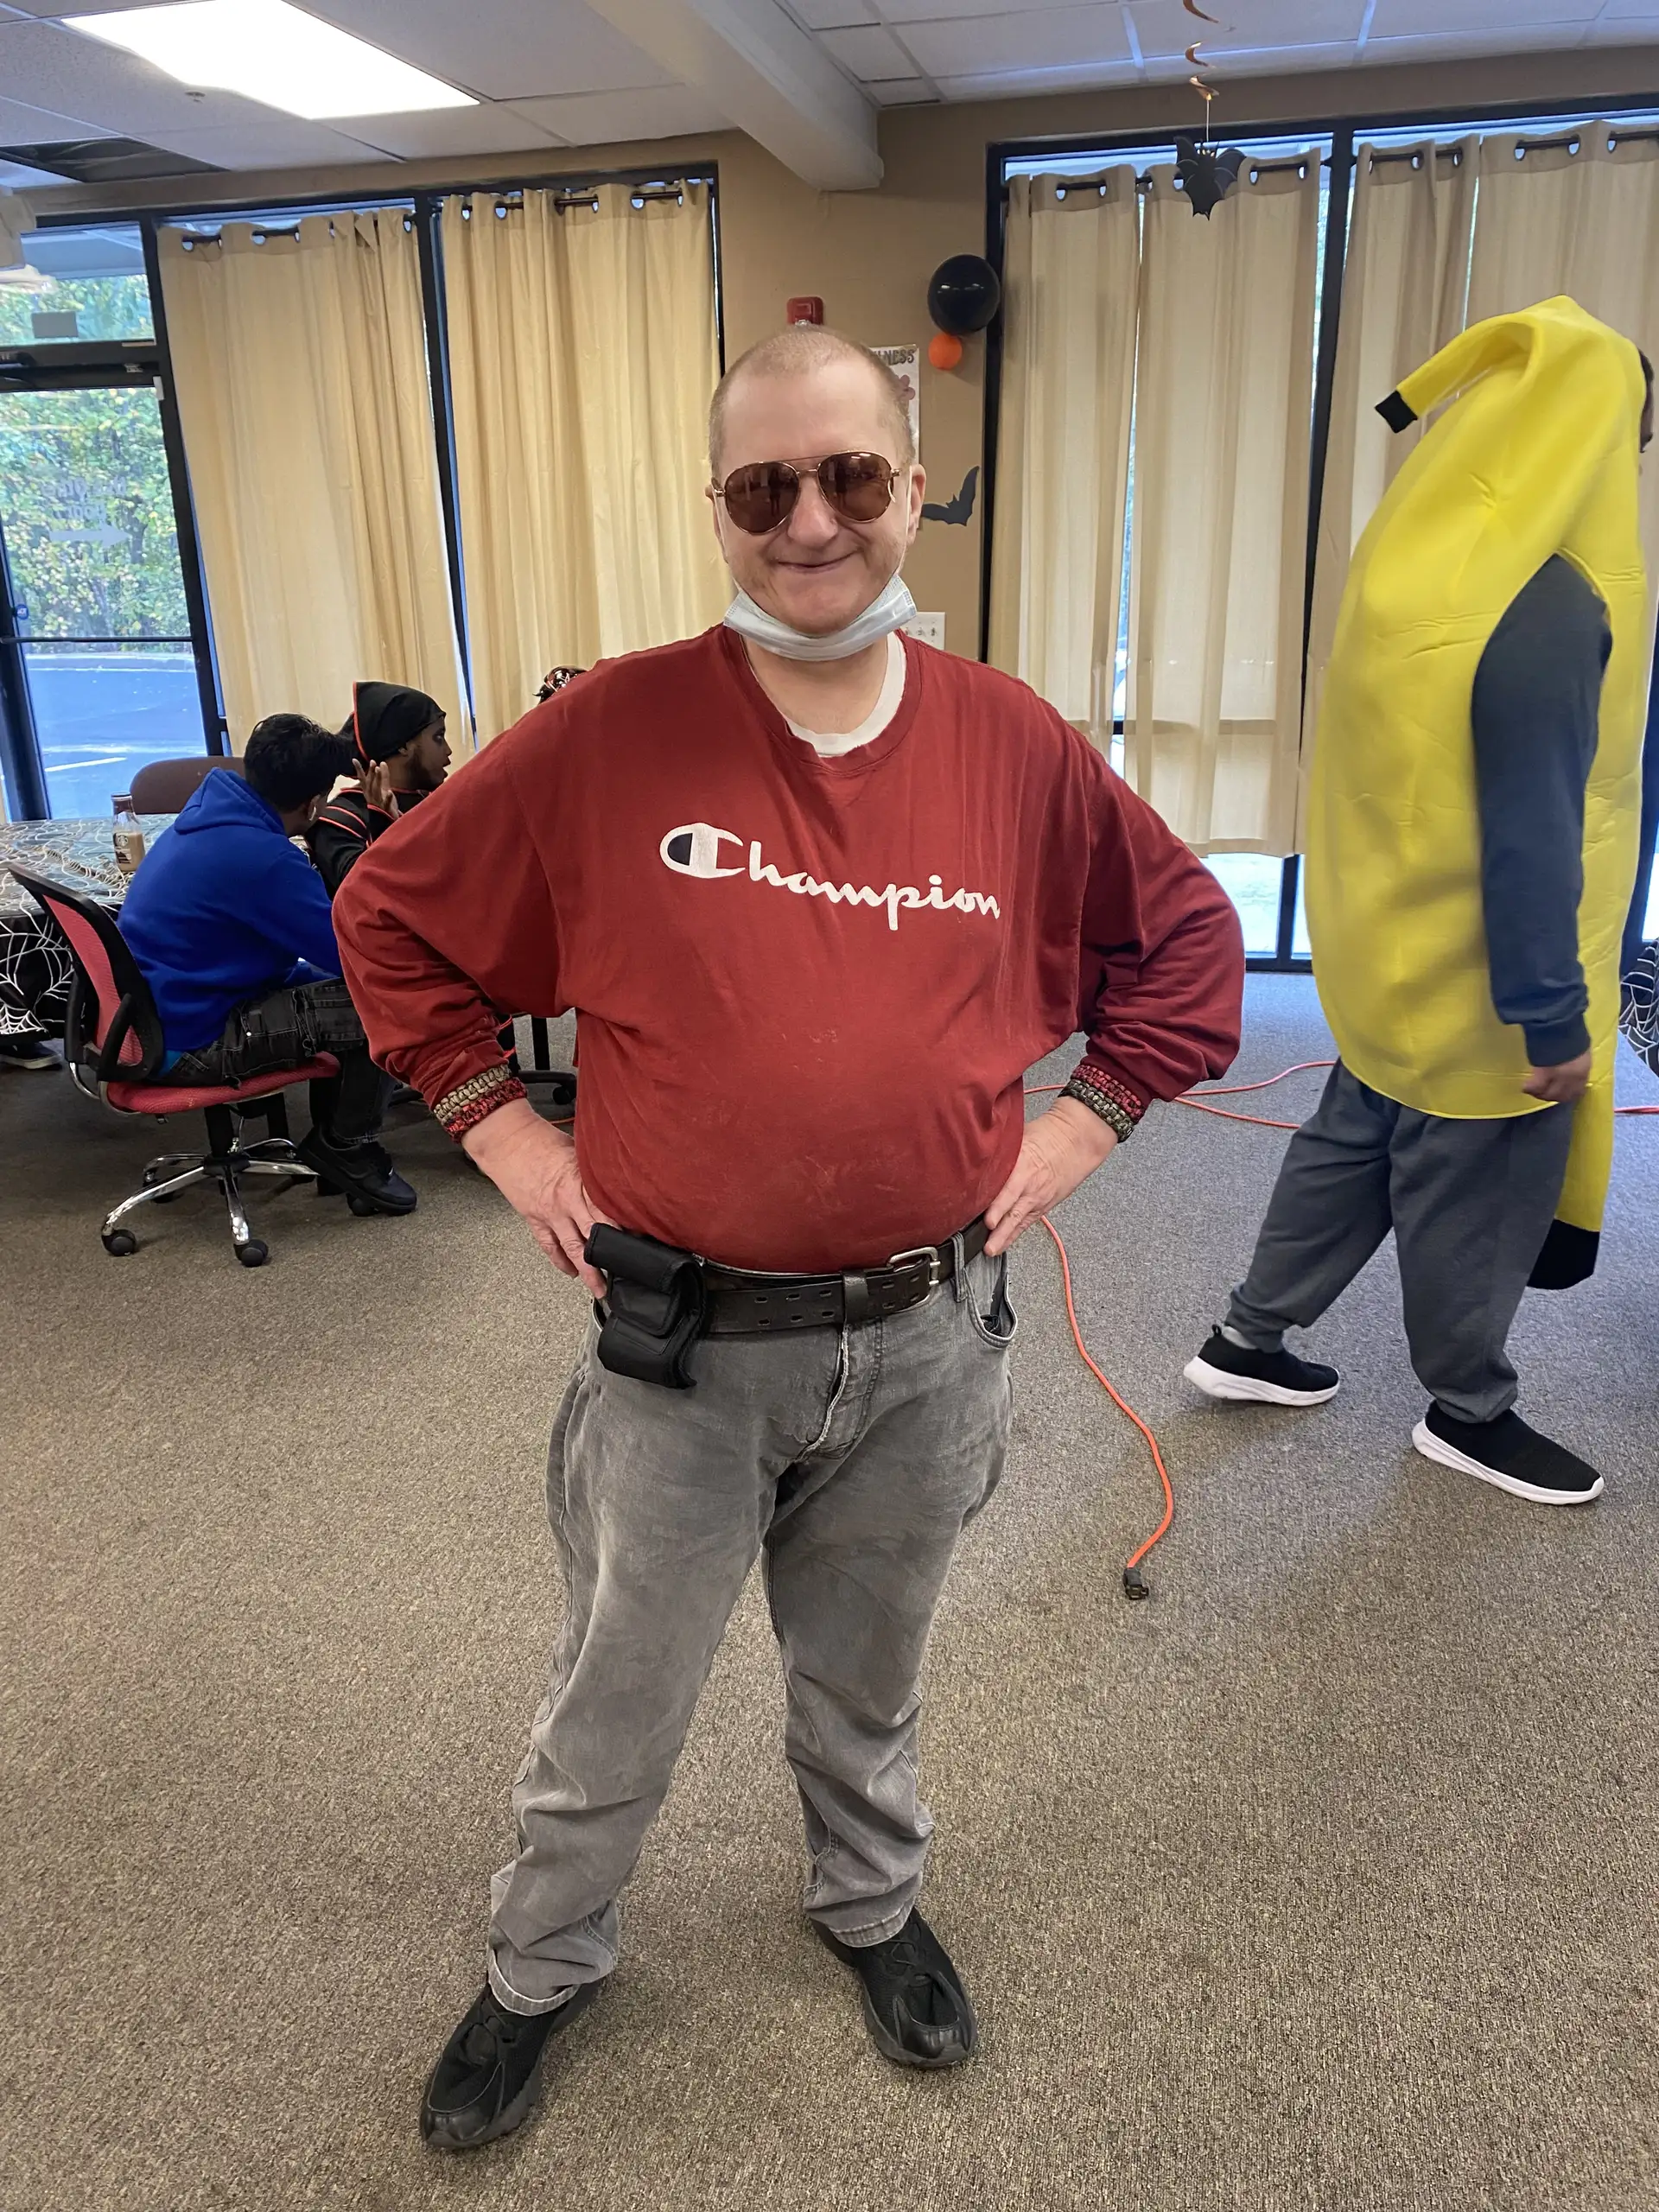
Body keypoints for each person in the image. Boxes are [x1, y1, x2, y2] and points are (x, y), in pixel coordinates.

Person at [334, 326, 1244, 2151]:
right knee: (618, 1694)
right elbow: (389, 913)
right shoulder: (613, 730)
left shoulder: (1010, 740)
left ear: (913, 486)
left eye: (850, 476)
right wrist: (503, 1129)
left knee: (870, 1668)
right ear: (721, 508)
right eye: (766, 486)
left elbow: (1191, 944)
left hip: (925, 1340)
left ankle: (871, 1903)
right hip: (683, 1349)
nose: (810, 520)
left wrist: (1082, 1123)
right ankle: (542, 1960)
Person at [1185, 299, 1652, 1509]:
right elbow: (1538, 827)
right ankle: (1468, 1410)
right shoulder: (1549, 602)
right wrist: (1554, 1016)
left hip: (1389, 957)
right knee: (1478, 1190)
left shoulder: (1423, 562)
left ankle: (1248, 1338)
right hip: (1491, 987)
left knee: (1350, 1143)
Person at [119, 714, 416, 1216]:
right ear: (313, 803)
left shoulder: (211, 809)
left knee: (340, 991)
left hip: (164, 1012)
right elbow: (353, 954)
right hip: (196, 1039)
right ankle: (347, 1147)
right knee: (387, 1004)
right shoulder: (263, 858)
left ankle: (338, 1146)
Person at [308, 683, 451, 898]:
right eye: (438, 737)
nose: (448, 750)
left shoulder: (435, 803)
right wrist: (382, 823)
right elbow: (363, 894)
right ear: (403, 745)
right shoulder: (340, 821)